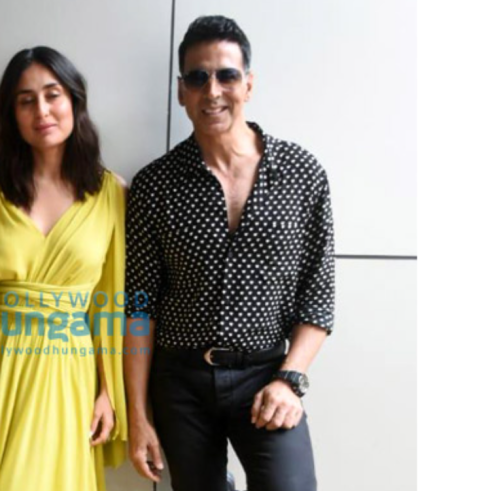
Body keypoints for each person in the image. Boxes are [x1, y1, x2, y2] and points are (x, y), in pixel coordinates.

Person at [124, 15, 335, 491]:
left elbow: (318, 297)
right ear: (181, 91)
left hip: (267, 374)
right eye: (198, 77)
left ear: (249, 84)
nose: (212, 91)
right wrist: (138, 415)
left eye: (226, 75)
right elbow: (139, 308)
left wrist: (290, 379)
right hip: (180, 382)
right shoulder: (155, 185)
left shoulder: (301, 173)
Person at [0, 46, 127, 491]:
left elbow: (110, 303)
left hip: (67, 372)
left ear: (74, 100)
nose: (41, 110)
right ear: (12, 115)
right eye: (26, 100)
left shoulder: (112, 193)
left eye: (52, 95)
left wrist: (108, 391)